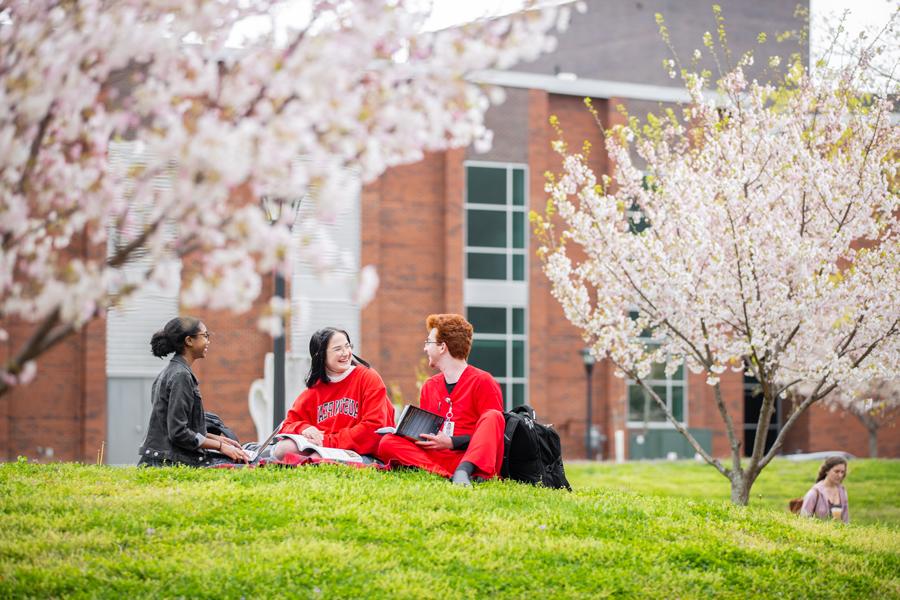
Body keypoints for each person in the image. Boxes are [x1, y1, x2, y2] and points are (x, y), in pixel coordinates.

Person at [376, 313, 505, 486]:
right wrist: (407, 434)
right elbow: (428, 436)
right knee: (387, 442)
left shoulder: (483, 381)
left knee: (494, 417)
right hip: (439, 458)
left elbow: (493, 435)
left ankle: (462, 473)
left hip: (472, 461)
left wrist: (452, 442)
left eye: (428, 342)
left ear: (442, 347)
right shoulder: (429, 386)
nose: (425, 348)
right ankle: (447, 476)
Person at [139, 317, 249, 466]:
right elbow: (178, 433)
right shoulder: (180, 376)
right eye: (205, 336)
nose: (208, 341)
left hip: (161, 459)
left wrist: (219, 439)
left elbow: (180, 427)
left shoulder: (171, 372)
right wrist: (221, 447)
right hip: (167, 463)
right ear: (189, 341)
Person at [271, 327, 395, 459]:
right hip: (326, 445)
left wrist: (328, 441)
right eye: (338, 349)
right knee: (283, 449)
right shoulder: (314, 390)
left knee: (316, 458)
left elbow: (374, 427)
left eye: (347, 346)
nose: (346, 353)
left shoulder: (368, 377)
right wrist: (304, 428)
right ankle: (303, 464)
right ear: (321, 355)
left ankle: (305, 464)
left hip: (362, 450)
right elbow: (287, 424)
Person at [799, 456, 850, 523]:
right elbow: (804, 519)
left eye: (842, 472)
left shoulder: (842, 491)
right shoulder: (815, 492)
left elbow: (846, 520)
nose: (840, 475)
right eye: (836, 471)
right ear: (827, 471)